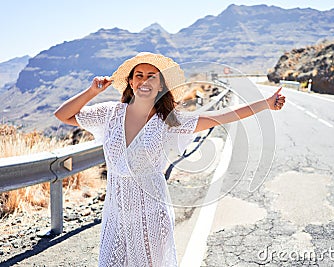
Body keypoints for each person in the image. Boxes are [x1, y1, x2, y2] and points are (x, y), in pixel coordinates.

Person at [54, 52, 285, 267]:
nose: (144, 81)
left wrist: (265, 104)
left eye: (151, 76)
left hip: (152, 216)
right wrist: (92, 92)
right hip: (116, 215)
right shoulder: (110, 113)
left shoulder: (169, 121)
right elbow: (62, 115)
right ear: (131, 82)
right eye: (139, 75)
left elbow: (221, 117)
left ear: (161, 85)